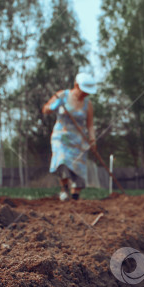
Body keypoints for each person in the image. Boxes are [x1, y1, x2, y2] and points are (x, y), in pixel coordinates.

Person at [42, 72, 98, 201]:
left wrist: (93, 140)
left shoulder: (87, 104)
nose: (85, 94)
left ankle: (75, 197)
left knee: (78, 167)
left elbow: (90, 125)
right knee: (62, 160)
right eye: (84, 91)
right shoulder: (62, 95)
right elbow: (45, 109)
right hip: (61, 136)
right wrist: (53, 107)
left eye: (87, 92)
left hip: (79, 139)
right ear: (76, 85)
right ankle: (64, 189)